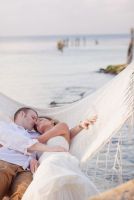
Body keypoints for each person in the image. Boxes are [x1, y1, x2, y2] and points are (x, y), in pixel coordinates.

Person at [22, 115, 99, 200]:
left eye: (40, 119)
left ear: (52, 121)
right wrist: (32, 159)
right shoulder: (38, 142)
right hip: (41, 168)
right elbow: (31, 149)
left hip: (58, 160)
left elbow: (34, 142)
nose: (37, 123)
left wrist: (80, 125)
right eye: (35, 126)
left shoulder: (62, 126)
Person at [0, 107, 66, 200]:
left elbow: (63, 133)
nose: (35, 122)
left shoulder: (36, 136)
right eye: (33, 117)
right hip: (5, 162)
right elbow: (16, 140)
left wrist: (81, 126)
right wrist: (48, 148)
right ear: (23, 114)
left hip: (26, 170)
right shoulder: (5, 127)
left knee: (25, 194)